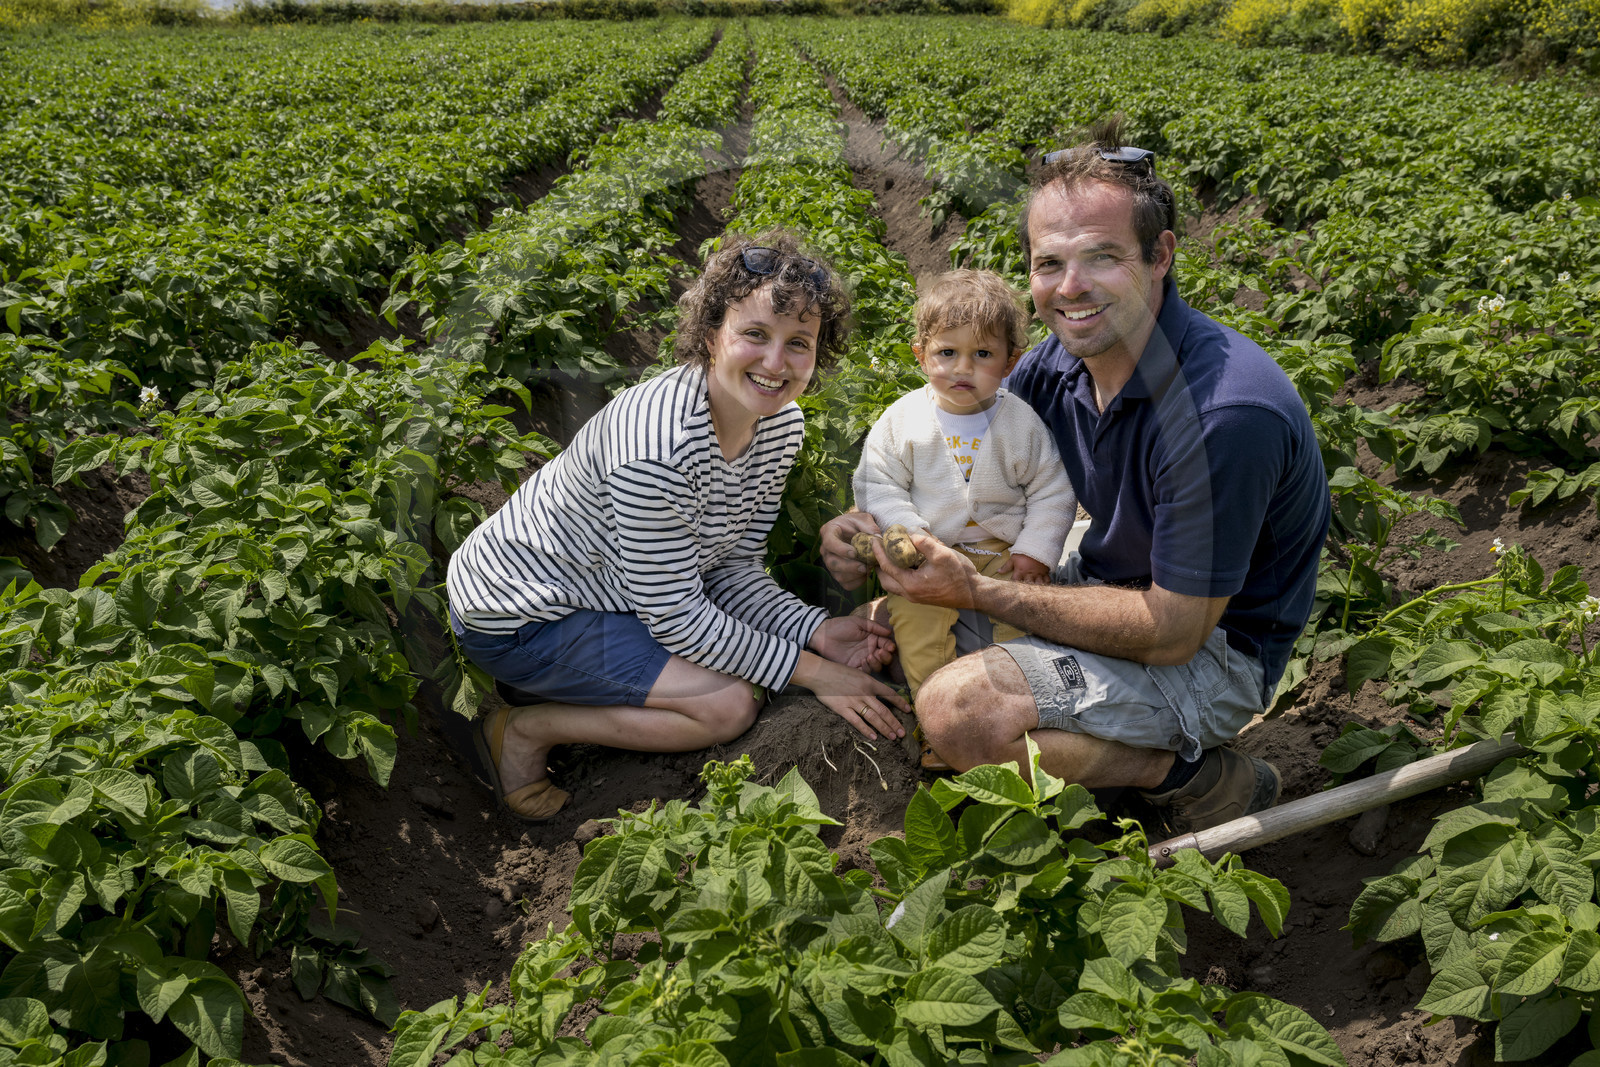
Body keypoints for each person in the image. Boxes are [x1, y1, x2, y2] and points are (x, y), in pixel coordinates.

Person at [820, 119, 1331, 835]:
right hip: (1103, 581)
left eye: (1102, 257)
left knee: (958, 709)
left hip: (1213, 650)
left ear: (1161, 257)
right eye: (1049, 263)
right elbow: (969, 457)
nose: (1071, 287)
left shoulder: (1222, 411)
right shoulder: (1054, 367)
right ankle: (1088, 751)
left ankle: (1194, 777)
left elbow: (1172, 632)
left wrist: (976, 587)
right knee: (887, 624)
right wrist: (868, 531)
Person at [449, 230, 908, 822]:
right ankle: (525, 729)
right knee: (728, 706)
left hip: (619, 597)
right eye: (754, 334)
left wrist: (817, 631)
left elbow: (731, 567)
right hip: (523, 615)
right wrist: (818, 674)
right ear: (711, 333)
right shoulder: (657, 450)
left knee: (735, 676)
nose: (776, 363)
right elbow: (675, 616)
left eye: (800, 342)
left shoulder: (780, 427)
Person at [851, 269, 1076, 714]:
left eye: (982, 354)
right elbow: (877, 482)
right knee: (918, 625)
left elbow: (1052, 489)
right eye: (947, 352)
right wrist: (913, 535)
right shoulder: (903, 420)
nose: (962, 368)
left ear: (1010, 363)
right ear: (921, 355)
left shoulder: (1021, 423)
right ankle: (934, 710)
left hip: (1002, 552)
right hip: (927, 553)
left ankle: (1028, 708)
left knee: (1025, 621)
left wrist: (1035, 550)